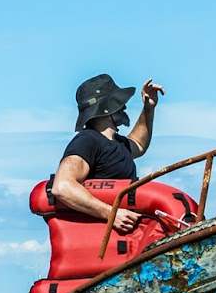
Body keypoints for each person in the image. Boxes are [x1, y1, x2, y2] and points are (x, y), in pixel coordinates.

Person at [52, 73, 165, 234]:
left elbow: (138, 144)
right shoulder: (87, 141)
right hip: (104, 244)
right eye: (119, 103)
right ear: (107, 107)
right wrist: (111, 213)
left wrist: (148, 108)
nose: (124, 106)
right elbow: (62, 186)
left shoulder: (117, 143)